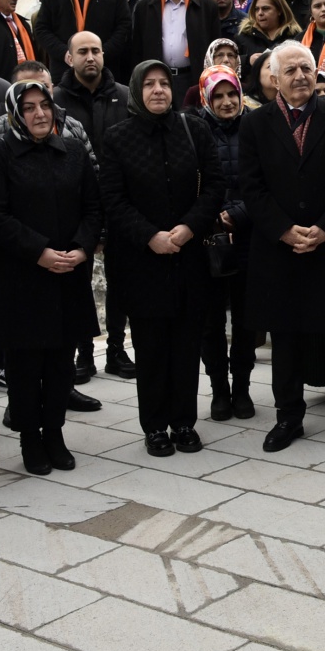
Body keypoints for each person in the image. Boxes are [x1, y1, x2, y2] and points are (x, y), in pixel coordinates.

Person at [238, 42, 325, 452]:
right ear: (274, 80)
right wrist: (283, 229)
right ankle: (288, 417)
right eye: (291, 70)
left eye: (307, 68)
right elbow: (251, 186)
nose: (300, 76)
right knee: (286, 336)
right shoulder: (255, 125)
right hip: (278, 249)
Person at [0, 80, 102, 475]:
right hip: (22, 277)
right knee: (26, 366)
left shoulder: (72, 151)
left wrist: (82, 248)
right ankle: (30, 438)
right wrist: (40, 253)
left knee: (61, 362)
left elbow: (93, 207)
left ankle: (55, 434)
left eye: (45, 105)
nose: (39, 114)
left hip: (68, 272)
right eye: (29, 107)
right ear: (15, 113)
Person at [100, 61, 224, 456]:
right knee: (152, 347)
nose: (158, 90)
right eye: (149, 84)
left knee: (187, 345)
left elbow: (215, 185)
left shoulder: (195, 129)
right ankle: (154, 426)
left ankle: (184, 422)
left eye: (164, 84)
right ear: (136, 89)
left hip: (188, 257)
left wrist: (189, 227)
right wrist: (149, 236)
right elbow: (113, 201)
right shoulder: (117, 138)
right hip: (143, 261)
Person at [52, 31, 135, 380]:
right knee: (77, 281)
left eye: (96, 51)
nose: (91, 57)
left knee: (120, 279)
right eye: (82, 51)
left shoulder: (125, 97)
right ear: (69, 58)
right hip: (74, 206)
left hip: (119, 201)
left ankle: (116, 348)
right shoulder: (55, 100)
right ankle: (83, 352)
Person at [193, 67, 257, 420]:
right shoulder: (194, 129)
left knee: (247, 320)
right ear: (206, 97)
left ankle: (243, 388)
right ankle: (219, 389)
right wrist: (215, 216)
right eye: (218, 95)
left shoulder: (256, 127)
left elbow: (264, 181)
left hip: (248, 235)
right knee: (211, 320)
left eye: (231, 93)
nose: (227, 101)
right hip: (209, 236)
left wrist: (238, 214)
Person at [131, 0, 220, 104]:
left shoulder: (206, 6)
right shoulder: (145, 7)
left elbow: (214, 44)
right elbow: (137, 47)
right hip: (157, 78)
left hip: (192, 77)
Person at [235, 0, 302, 99]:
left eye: (266, 9)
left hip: (289, 96)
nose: (260, 13)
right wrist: (247, 60)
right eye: (257, 9)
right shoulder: (243, 36)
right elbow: (231, 66)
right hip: (253, 98)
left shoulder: (295, 36)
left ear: (279, 10)